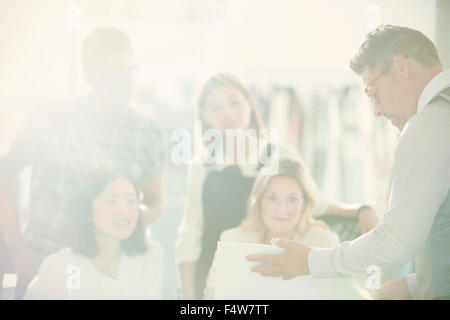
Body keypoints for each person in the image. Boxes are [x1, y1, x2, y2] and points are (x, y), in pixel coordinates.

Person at [247, 25, 450, 300]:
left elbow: (396, 241)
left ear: (400, 67)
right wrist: (414, 286)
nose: (376, 111)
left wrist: (309, 261)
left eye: (373, 93)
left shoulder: (427, 126)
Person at [175, 73, 379, 299]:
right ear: (204, 116)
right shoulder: (201, 166)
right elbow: (190, 235)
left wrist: (362, 210)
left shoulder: (280, 154)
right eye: (216, 107)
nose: (228, 113)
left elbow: (318, 204)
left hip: (261, 271)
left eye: (234, 102)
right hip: (212, 273)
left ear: (249, 104)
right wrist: (188, 296)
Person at [0, 27, 164, 299]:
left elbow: (155, 202)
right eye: (111, 74)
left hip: (107, 276)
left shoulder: (148, 134)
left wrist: (125, 213)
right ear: (88, 75)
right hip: (40, 262)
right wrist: (16, 246)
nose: (123, 83)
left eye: (129, 72)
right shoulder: (49, 116)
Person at [204, 158, 340, 299]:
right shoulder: (231, 240)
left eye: (292, 199)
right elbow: (212, 296)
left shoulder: (325, 243)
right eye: (272, 198)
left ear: (304, 204)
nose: (282, 208)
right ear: (259, 201)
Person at [24, 172, 163, 299]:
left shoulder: (151, 256)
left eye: (131, 200)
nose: (124, 210)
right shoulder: (59, 266)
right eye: (112, 201)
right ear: (88, 211)